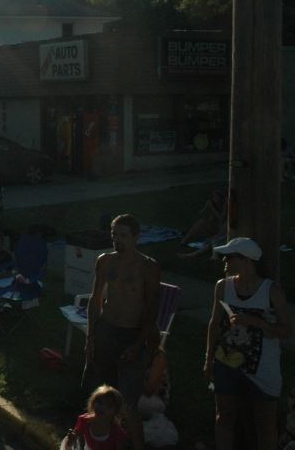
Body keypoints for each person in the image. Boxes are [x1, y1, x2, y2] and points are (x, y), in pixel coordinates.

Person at [204, 237, 291, 450]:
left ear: (247, 261)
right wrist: (208, 359)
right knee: (224, 416)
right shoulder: (223, 287)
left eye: (230, 257)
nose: (225, 260)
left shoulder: (271, 292)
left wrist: (255, 322)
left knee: (265, 424)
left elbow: (288, 330)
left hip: (263, 366)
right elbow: (214, 323)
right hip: (226, 360)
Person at [84, 214, 161, 450]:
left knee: (127, 402)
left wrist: (139, 344)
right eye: (114, 235)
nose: (118, 240)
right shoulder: (105, 261)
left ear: (136, 237)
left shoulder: (148, 267)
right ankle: (103, 442)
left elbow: (151, 309)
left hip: (132, 335)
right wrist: (91, 338)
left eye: (124, 236)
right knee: (101, 397)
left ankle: (136, 445)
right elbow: (95, 299)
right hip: (107, 329)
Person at [63, 385, 129, 450]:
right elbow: (72, 444)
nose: (102, 407)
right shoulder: (84, 420)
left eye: (109, 405)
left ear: (116, 410)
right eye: (99, 402)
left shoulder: (118, 433)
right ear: (93, 402)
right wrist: (70, 440)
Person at [178, 187, 225, 257]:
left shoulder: (225, 205)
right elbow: (204, 212)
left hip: (222, 227)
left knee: (202, 224)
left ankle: (186, 242)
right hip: (213, 225)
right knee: (200, 223)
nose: (215, 199)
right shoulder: (212, 204)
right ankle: (184, 241)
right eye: (213, 197)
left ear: (221, 198)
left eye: (216, 197)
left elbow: (221, 219)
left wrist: (213, 209)